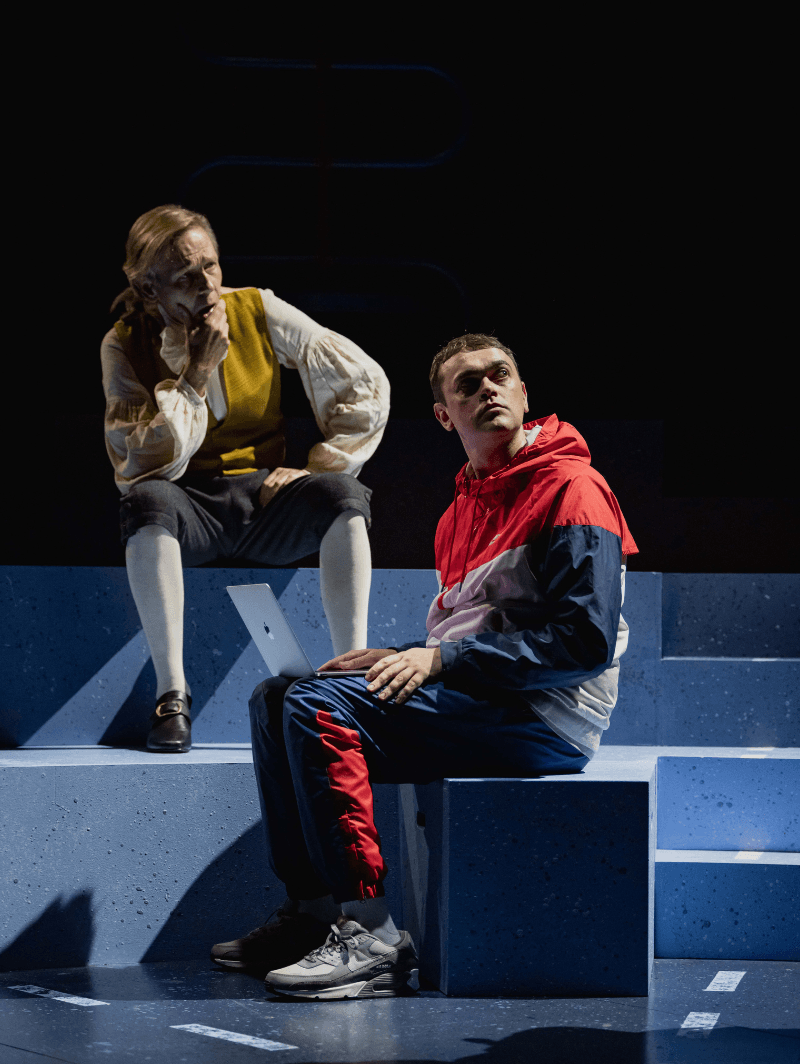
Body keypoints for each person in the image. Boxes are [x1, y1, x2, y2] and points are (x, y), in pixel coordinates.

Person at [211, 333, 639, 999]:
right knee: (276, 698)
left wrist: (442, 658)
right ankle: (311, 912)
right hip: (487, 694)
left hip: (546, 714)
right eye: (467, 384)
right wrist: (403, 653)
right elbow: (479, 623)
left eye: (500, 375)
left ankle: (373, 935)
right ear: (444, 415)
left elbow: (582, 644)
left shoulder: (573, 488)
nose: (488, 388)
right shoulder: (458, 512)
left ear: (524, 392)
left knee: (316, 707)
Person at [102, 205, 389, 751]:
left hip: (264, 502)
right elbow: (141, 461)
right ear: (148, 289)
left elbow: (364, 385)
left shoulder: (256, 308)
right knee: (146, 502)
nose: (206, 285)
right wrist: (196, 371)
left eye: (210, 266)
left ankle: (350, 678)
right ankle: (171, 696)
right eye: (184, 276)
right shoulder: (124, 342)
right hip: (190, 508)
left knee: (344, 496)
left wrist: (317, 468)